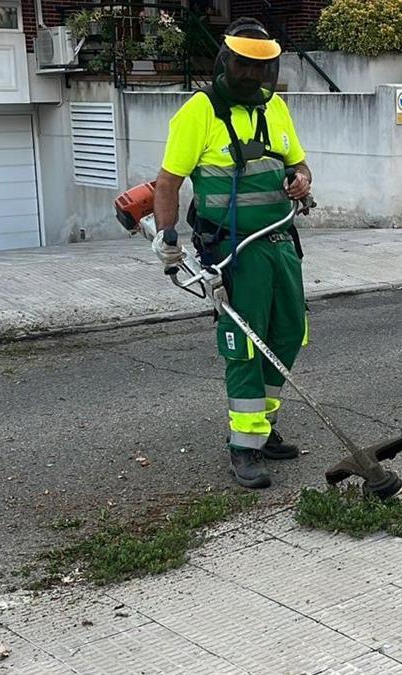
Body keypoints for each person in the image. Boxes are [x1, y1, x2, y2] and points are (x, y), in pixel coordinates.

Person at [150, 17, 312, 489]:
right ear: (227, 62)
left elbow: (297, 162)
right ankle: (245, 446)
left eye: (261, 69)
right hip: (233, 253)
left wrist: (302, 178)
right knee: (245, 343)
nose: (252, 76)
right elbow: (168, 182)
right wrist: (167, 237)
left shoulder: (276, 108)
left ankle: (261, 426)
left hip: (281, 244)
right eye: (244, 65)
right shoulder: (197, 112)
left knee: (287, 334)